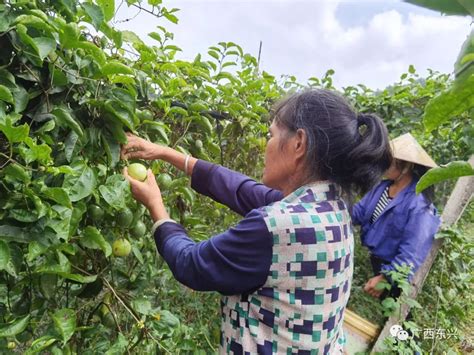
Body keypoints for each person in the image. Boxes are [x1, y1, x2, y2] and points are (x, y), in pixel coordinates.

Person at [121, 89, 392, 354]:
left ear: (299, 143)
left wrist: (155, 205)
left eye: (271, 135)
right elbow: (242, 190)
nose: (267, 145)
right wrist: (165, 153)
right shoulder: (330, 208)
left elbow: (191, 264)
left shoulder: (274, 227)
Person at [351, 133, 441, 300]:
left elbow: (413, 250)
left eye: (388, 160)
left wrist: (386, 277)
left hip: (396, 271)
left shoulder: (418, 203)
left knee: (398, 318)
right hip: (376, 262)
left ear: (406, 166)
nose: (382, 164)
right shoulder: (382, 188)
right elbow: (359, 213)